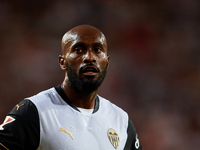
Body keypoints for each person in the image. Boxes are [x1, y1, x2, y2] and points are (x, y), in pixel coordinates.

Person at [0, 25, 142, 150]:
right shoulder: (34, 111)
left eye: (98, 50)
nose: (90, 57)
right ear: (63, 61)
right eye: (79, 50)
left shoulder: (121, 121)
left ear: (107, 61)